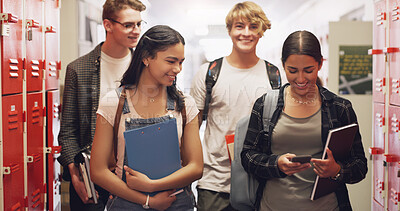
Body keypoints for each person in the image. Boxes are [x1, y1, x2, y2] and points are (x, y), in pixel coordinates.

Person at [241, 30, 368, 211]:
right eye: (292, 71)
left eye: (309, 70)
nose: (301, 79)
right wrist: (275, 164)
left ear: (320, 64)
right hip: (272, 206)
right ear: (283, 65)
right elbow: (247, 156)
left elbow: (360, 166)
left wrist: (337, 170)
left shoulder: (340, 108)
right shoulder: (265, 104)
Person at [90, 25, 203, 210]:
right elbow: (98, 171)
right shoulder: (113, 102)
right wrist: (147, 200)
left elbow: (196, 167)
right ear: (146, 57)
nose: (178, 69)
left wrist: (152, 186)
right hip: (126, 203)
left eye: (181, 62)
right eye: (171, 61)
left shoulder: (184, 105)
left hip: (175, 202)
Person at [190, 1, 279, 210]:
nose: (246, 33)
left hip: (259, 181)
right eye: (239, 26)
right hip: (214, 183)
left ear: (261, 31)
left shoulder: (274, 75)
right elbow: (191, 129)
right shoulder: (209, 73)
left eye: (253, 26)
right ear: (229, 30)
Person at [57, 0, 146, 210]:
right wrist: (75, 174)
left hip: (134, 173)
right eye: (128, 25)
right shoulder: (78, 69)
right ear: (107, 25)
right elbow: (68, 131)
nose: (136, 31)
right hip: (91, 177)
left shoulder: (144, 68)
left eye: (139, 24)